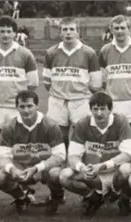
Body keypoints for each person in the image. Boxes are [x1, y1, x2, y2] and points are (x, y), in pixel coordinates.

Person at [59, 92, 131, 217]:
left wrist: (101, 166)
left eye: (103, 109)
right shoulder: (82, 124)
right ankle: (93, 196)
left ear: (110, 110)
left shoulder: (120, 121)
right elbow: (72, 156)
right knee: (64, 176)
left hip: (114, 171)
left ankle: (124, 199)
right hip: (92, 173)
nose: (99, 113)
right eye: (95, 109)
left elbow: (127, 154)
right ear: (90, 110)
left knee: (127, 169)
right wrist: (83, 168)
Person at [0, 90, 66, 215]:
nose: (26, 110)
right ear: (16, 108)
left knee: (56, 173)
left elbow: (60, 155)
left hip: (43, 167)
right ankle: (22, 197)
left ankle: (56, 197)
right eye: (22, 106)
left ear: (37, 106)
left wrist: (37, 168)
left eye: (30, 106)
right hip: (20, 168)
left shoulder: (50, 125)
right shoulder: (10, 127)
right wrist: (12, 170)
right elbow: (1, 156)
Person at [42, 17, 102, 151]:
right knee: (58, 134)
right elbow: (47, 82)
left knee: (81, 134)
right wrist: (59, 92)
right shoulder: (51, 52)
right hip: (58, 100)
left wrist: (82, 94)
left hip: (80, 100)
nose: (68, 33)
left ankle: (79, 163)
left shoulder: (89, 52)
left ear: (77, 32)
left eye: (71, 29)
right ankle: (61, 161)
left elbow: (96, 83)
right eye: (65, 29)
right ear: (60, 32)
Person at [0, 16, 38, 137]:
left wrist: (20, 101)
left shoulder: (26, 54)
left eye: (9, 31)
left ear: (15, 33)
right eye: (2, 31)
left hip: (16, 108)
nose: (5, 35)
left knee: (17, 145)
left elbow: (33, 84)